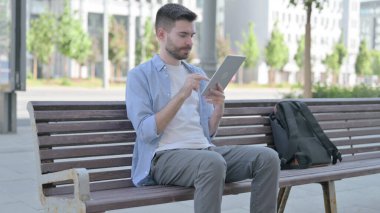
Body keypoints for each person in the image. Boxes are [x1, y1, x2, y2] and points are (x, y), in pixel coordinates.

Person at [126, 3, 280, 213]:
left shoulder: (195, 72)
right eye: (183, 35)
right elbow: (145, 131)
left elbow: (208, 132)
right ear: (161, 34)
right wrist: (182, 94)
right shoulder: (140, 76)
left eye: (192, 35)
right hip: (163, 157)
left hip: (205, 151)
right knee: (212, 163)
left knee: (268, 158)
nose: (190, 42)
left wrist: (219, 108)